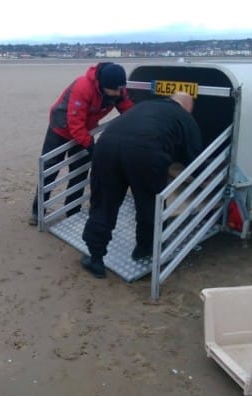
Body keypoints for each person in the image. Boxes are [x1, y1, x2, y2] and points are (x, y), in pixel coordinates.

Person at [80, 92, 203, 278]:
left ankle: (95, 258)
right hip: (146, 153)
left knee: (103, 203)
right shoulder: (184, 117)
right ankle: (144, 249)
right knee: (149, 204)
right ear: (187, 107)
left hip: (106, 146)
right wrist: (207, 179)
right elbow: (195, 157)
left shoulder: (145, 105)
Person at [29, 62, 135, 226]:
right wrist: (90, 147)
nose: (118, 93)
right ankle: (38, 211)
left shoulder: (118, 89)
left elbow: (128, 109)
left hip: (87, 128)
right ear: (102, 85)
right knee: (50, 169)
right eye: (114, 90)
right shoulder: (83, 87)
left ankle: (72, 212)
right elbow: (75, 124)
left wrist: (139, 121)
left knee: (79, 172)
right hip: (61, 127)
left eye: (121, 89)